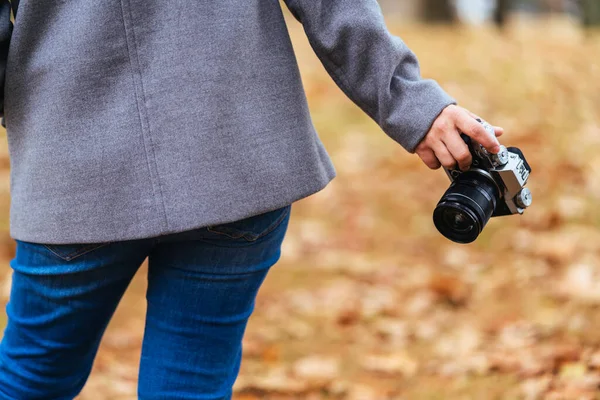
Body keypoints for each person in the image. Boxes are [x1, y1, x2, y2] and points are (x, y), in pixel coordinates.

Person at [0, 0, 503, 398]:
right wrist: (414, 104)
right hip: (233, 149)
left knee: (29, 378)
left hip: (73, 160)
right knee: (189, 386)